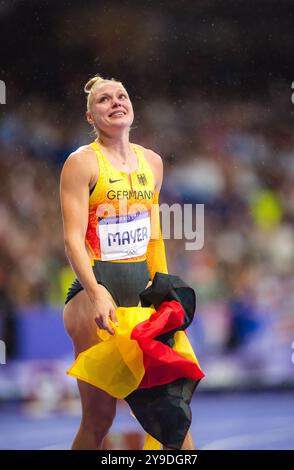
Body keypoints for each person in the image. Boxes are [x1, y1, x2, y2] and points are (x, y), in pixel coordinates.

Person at [60, 75, 196, 450]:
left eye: (122, 96)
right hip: (93, 297)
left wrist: (164, 292)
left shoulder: (151, 162)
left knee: (170, 418)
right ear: (91, 116)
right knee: (99, 419)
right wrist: (96, 292)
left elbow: (153, 235)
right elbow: (72, 239)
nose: (116, 102)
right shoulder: (81, 163)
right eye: (104, 99)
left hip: (139, 299)